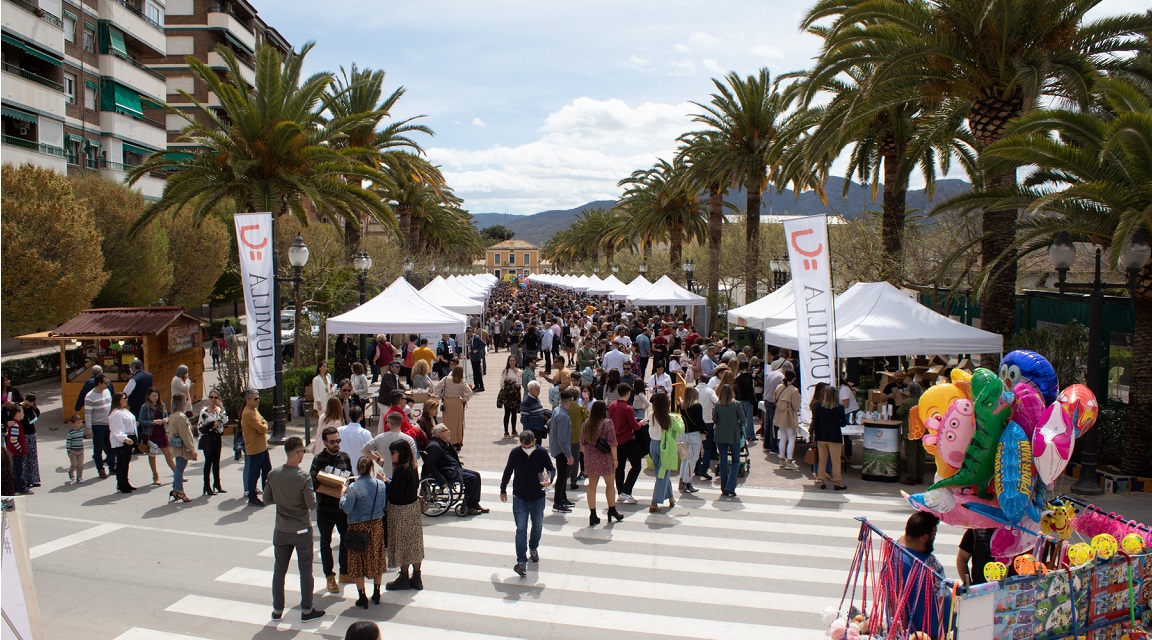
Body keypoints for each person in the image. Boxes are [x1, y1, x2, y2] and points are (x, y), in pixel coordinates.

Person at [264, 436, 325, 622]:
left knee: (279, 571)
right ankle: (306, 610)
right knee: (305, 571)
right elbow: (311, 504)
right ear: (298, 453)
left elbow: (267, 500)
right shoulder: (303, 477)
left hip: (281, 529)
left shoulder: (273, 474)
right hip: (301, 529)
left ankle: (277, 609)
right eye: (302, 453)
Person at [501, 431, 556, 577]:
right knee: (521, 528)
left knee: (537, 526)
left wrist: (549, 478)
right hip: (520, 496)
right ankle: (521, 561)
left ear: (534, 441)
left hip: (538, 496)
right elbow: (508, 471)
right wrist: (503, 489)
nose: (527, 448)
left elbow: (551, 468)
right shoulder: (515, 453)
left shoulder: (542, 452)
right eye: (524, 446)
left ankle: (533, 547)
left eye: (529, 445)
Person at [340, 456, 387, 608]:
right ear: (371, 469)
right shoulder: (381, 485)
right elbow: (384, 505)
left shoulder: (353, 487)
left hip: (358, 527)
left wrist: (342, 496)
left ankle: (362, 596)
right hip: (376, 526)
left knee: (357, 561)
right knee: (377, 558)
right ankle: (377, 592)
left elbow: (347, 508)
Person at [311, 425, 353, 593]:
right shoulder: (319, 460)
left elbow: (350, 478)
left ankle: (344, 571)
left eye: (338, 441)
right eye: (332, 442)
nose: (336, 444)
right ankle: (329, 575)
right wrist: (332, 484)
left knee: (345, 539)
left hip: (342, 508)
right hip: (325, 508)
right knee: (325, 542)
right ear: (325, 443)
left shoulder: (345, 457)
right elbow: (314, 482)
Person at [893, 512, 945, 637]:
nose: (934, 538)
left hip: (911, 629)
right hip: (925, 633)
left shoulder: (897, 551)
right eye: (934, 534)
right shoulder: (926, 564)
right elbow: (942, 597)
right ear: (925, 537)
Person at [385, 440, 425, 591]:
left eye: (393, 453)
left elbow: (396, 494)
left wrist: (386, 483)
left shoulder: (401, 470)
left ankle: (403, 576)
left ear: (401, 453)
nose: (391, 456)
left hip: (401, 511)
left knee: (403, 544)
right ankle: (416, 577)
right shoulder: (412, 466)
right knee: (414, 544)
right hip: (413, 509)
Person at [425, 424, 488, 515]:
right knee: (472, 478)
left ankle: (474, 503)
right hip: (447, 472)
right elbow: (431, 465)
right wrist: (441, 480)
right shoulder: (435, 446)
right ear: (440, 434)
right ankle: (469, 506)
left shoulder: (443, 443)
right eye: (446, 430)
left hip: (453, 468)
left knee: (476, 475)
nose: (449, 432)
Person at [581, 399, 622, 526]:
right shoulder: (607, 423)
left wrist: (587, 456)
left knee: (592, 486)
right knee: (610, 484)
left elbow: (583, 443)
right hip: (605, 457)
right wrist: (615, 459)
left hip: (590, 457)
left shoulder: (587, 423)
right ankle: (612, 509)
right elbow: (613, 443)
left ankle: (593, 514)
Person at [610, 383, 648, 505]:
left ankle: (621, 492)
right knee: (636, 465)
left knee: (619, 467)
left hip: (616, 441)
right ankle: (626, 490)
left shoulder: (611, 406)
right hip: (627, 440)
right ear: (627, 394)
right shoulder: (627, 408)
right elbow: (635, 426)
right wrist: (642, 422)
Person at [647, 393, 684, 512]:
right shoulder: (669, 418)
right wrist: (680, 419)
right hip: (665, 447)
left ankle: (671, 498)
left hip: (653, 445)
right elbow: (680, 430)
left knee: (661, 472)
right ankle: (654, 502)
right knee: (663, 474)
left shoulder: (651, 415)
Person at [812, 385, 848, 491]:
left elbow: (816, 421)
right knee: (835, 460)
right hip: (834, 436)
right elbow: (843, 423)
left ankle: (822, 480)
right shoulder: (839, 407)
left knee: (822, 459)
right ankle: (837, 481)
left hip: (822, 435)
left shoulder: (818, 406)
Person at [712, 384, 745, 497]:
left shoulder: (718, 405)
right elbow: (743, 419)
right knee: (736, 460)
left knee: (723, 460)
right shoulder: (736, 404)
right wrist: (739, 428)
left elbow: (715, 420)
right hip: (733, 435)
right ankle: (730, 486)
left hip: (721, 435)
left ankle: (724, 486)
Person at [363, 412, 417, 479]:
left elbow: (364, 450)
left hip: (387, 476)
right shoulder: (409, 439)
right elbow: (414, 460)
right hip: (404, 477)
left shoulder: (380, 438)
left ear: (389, 423)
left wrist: (378, 459)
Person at [139, 387, 176, 486]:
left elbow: (166, 416)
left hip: (161, 432)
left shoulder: (161, 405)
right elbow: (141, 420)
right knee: (152, 454)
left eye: (156, 395)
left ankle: (177, 474)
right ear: (148, 396)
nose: (155, 398)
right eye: (153, 396)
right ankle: (155, 476)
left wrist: (165, 419)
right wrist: (153, 422)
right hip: (151, 433)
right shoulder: (145, 407)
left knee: (168, 454)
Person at [241, 389, 271, 507]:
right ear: (248, 400)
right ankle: (252, 497)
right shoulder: (248, 413)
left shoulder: (254, 410)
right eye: (255, 399)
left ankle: (267, 492)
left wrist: (264, 424)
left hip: (262, 446)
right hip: (254, 448)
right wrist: (265, 425)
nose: (258, 401)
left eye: (258, 398)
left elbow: (263, 421)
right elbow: (262, 428)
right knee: (254, 473)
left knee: (267, 469)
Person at [166, 393, 197, 502]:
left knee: (179, 467)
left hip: (176, 444)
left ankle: (175, 489)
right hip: (182, 446)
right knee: (180, 468)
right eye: (185, 400)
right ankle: (179, 490)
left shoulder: (173, 415)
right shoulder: (180, 417)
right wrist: (192, 448)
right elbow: (185, 434)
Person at [548, 390, 576, 513]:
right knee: (562, 476)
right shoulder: (563, 416)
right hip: (561, 450)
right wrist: (568, 455)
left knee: (563, 475)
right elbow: (562, 439)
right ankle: (557, 502)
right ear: (570, 401)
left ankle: (563, 498)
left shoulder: (557, 410)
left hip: (557, 448)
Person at [84, 374, 115, 480]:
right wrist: (88, 428)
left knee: (111, 447)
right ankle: (100, 469)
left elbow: (111, 406)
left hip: (108, 424)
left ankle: (112, 466)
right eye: (105, 383)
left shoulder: (107, 392)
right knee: (98, 449)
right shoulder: (90, 396)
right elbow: (87, 413)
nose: (108, 384)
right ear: (99, 384)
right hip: (97, 426)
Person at [198, 389, 228, 495]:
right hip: (208, 438)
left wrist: (222, 408)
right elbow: (200, 428)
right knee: (208, 461)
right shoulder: (204, 412)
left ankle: (217, 484)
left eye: (216, 398)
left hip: (217, 437)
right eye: (211, 397)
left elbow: (225, 420)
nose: (213, 400)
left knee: (216, 461)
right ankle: (206, 485)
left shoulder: (219, 410)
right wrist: (211, 426)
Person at [108, 392, 137, 494]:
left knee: (126, 462)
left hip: (129, 439)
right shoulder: (116, 413)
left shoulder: (124, 411)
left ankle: (125, 482)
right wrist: (125, 439)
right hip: (122, 441)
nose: (126, 400)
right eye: (123, 398)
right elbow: (117, 430)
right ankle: (121, 484)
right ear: (118, 400)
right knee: (121, 463)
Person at [772, 370, 801, 470]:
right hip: (789, 416)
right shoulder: (794, 390)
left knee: (783, 437)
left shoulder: (779, 387)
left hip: (779, 414)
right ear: (793, 378)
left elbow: (774, 399)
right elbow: (796, 406)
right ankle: (789, 460)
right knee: (791, 438)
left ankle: (782, 459)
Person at [899, 382, 926, 485]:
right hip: (923, 431)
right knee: (921, 455)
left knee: (911, 455)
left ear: (909, 391)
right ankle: (920, 477)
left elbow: (899, 413)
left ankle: (911, 477)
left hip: (910, 432)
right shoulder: (924, 401)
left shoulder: (906, 402)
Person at [678, 386, 704, 494]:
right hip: (694, 434)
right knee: (692, 459)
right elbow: (699, 421)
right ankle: (687, 482)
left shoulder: (681, 405)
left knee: (685, 458)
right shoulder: (697, 406)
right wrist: (705, 431)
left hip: (685, 434)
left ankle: (682, 481)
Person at [338, 406, 373, 475]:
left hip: (342, 470)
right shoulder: (365, 433)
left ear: (348, 416)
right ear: (361, 417)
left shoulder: (339, 430)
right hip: (361, 470)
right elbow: (373, 450)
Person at [5, 406, 30, 494]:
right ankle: (22, 488)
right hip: (16, 453)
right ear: (17, 414)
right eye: (22, 412)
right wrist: (20, 449)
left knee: (15, 470)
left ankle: (16, 487)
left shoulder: (15, 423)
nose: (23, 414)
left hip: (13, 452)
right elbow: (13, 439)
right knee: (18, 470)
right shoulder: (15, 425)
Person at [18, 395, 40, 488]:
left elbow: (37, 415)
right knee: (25, 457)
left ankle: (34, 479)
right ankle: (26, 480)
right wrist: (24, 407)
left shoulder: (32, 408)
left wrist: (33, 408)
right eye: (31, 402)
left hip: (32, 433)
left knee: (33, 457)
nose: (31, 404)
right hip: (23, 434)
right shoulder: (20, 407)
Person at [498, 355, 522, 438]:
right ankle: (506, 431)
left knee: (514, 413)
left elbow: (520, 381)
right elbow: (502, 382)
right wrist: (509, 386)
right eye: (510, 361)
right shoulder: (505, 371)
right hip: (507, 395)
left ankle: (514, 430)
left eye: (513, 361)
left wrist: (517, 385)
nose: (512, 362)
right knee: (507, 413)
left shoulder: (518, 371)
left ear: (516, 362)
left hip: (515, 395)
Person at [65, 414, 87, 484]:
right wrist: (69, 451)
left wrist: (88, 436)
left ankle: (79, 477)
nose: (80, 424)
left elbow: (83, 437)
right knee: (74, 464)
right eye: (78, 423)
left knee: (80, 465)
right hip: (73, 451)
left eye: (81, 422)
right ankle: (71, 471)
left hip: (81, 450)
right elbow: (68, 442)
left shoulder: (82, 430)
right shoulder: (71, 432)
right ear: (73, 424)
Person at [466, 328, 487, 392]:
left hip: (476, 357)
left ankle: (481, 386)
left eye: (469, 334)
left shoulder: (476, 338)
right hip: (472, 357)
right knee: (474, 372)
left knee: (478, 372)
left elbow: (483, 344)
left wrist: (477, 350)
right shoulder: (471, 339)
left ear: (471, 332)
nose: (468, 336)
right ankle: (476, 385)